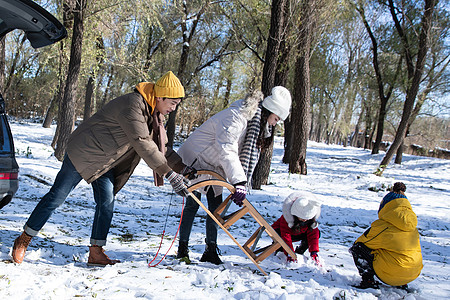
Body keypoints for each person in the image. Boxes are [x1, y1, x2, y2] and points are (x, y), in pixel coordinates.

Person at [11, 71, 194, 266]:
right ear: (160, 97)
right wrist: (168, 174)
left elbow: (159, 146)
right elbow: (142, 143)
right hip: (83, 152)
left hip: (105, 161)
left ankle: (96, 252)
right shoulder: (132, 105)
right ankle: (24, 238)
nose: (173, 109)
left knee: (106, 201)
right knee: (57, 197)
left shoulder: (152, 114)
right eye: (172, 103)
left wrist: (183, 169)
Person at [176, 86, 292, 264]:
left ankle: (211, 250)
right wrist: (239, 181)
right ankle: (182, 249)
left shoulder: (254, 124)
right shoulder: (236, 117)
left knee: (216, 209)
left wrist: (239, 181)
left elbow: (235, 153)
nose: (275, 123)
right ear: (269, 111)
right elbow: (227, 149)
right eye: (276, 118)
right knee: (192, 205)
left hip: (216, 166)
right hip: (196, 160)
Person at [349, 182, 423, 289]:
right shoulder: (413, 227)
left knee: (357, 248)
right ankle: (402, 284)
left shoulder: (383, 226)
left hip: (393, 274)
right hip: (413, 273)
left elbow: (361, 242)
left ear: (386, 206)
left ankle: (368, 281)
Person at [272, 192, 321, 266]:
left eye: (307, 218)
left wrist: (314, 252)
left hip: (297, 233)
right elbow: (286, 236)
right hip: (281, 232)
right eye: (302, 218)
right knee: (280, 240)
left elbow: (313, 236)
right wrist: (290, 253)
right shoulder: (287, 218)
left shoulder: (310, 221)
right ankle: (279, 251)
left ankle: (300, 251)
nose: (305, 220)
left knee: (316, 233)